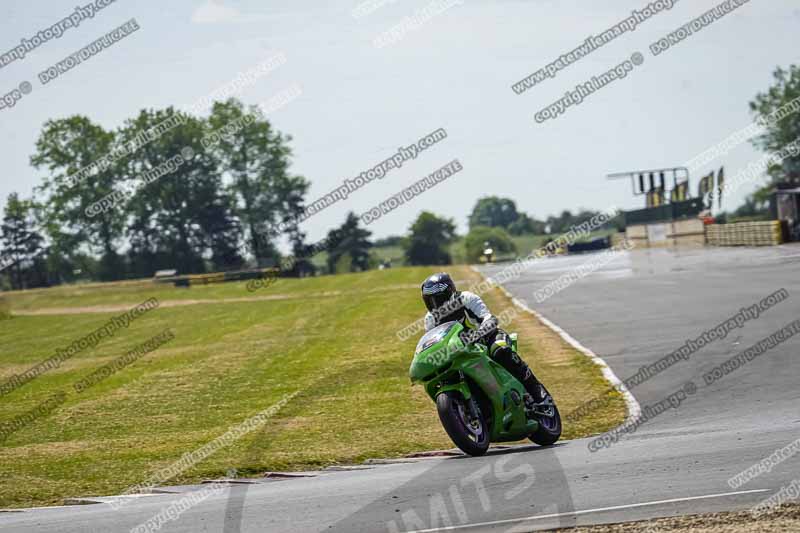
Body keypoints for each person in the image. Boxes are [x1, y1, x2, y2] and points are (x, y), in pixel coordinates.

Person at [421, 272, 546, 404]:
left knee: (500, 349)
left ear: (450, 292)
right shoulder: (430, 319)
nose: (435, 304)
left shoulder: (466, 299)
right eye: (430, 301)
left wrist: (478, 334)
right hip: (460, 353)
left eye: (439, 299)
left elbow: (489, 319)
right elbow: (434, 341)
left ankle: (535, 388)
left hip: (487, 339)